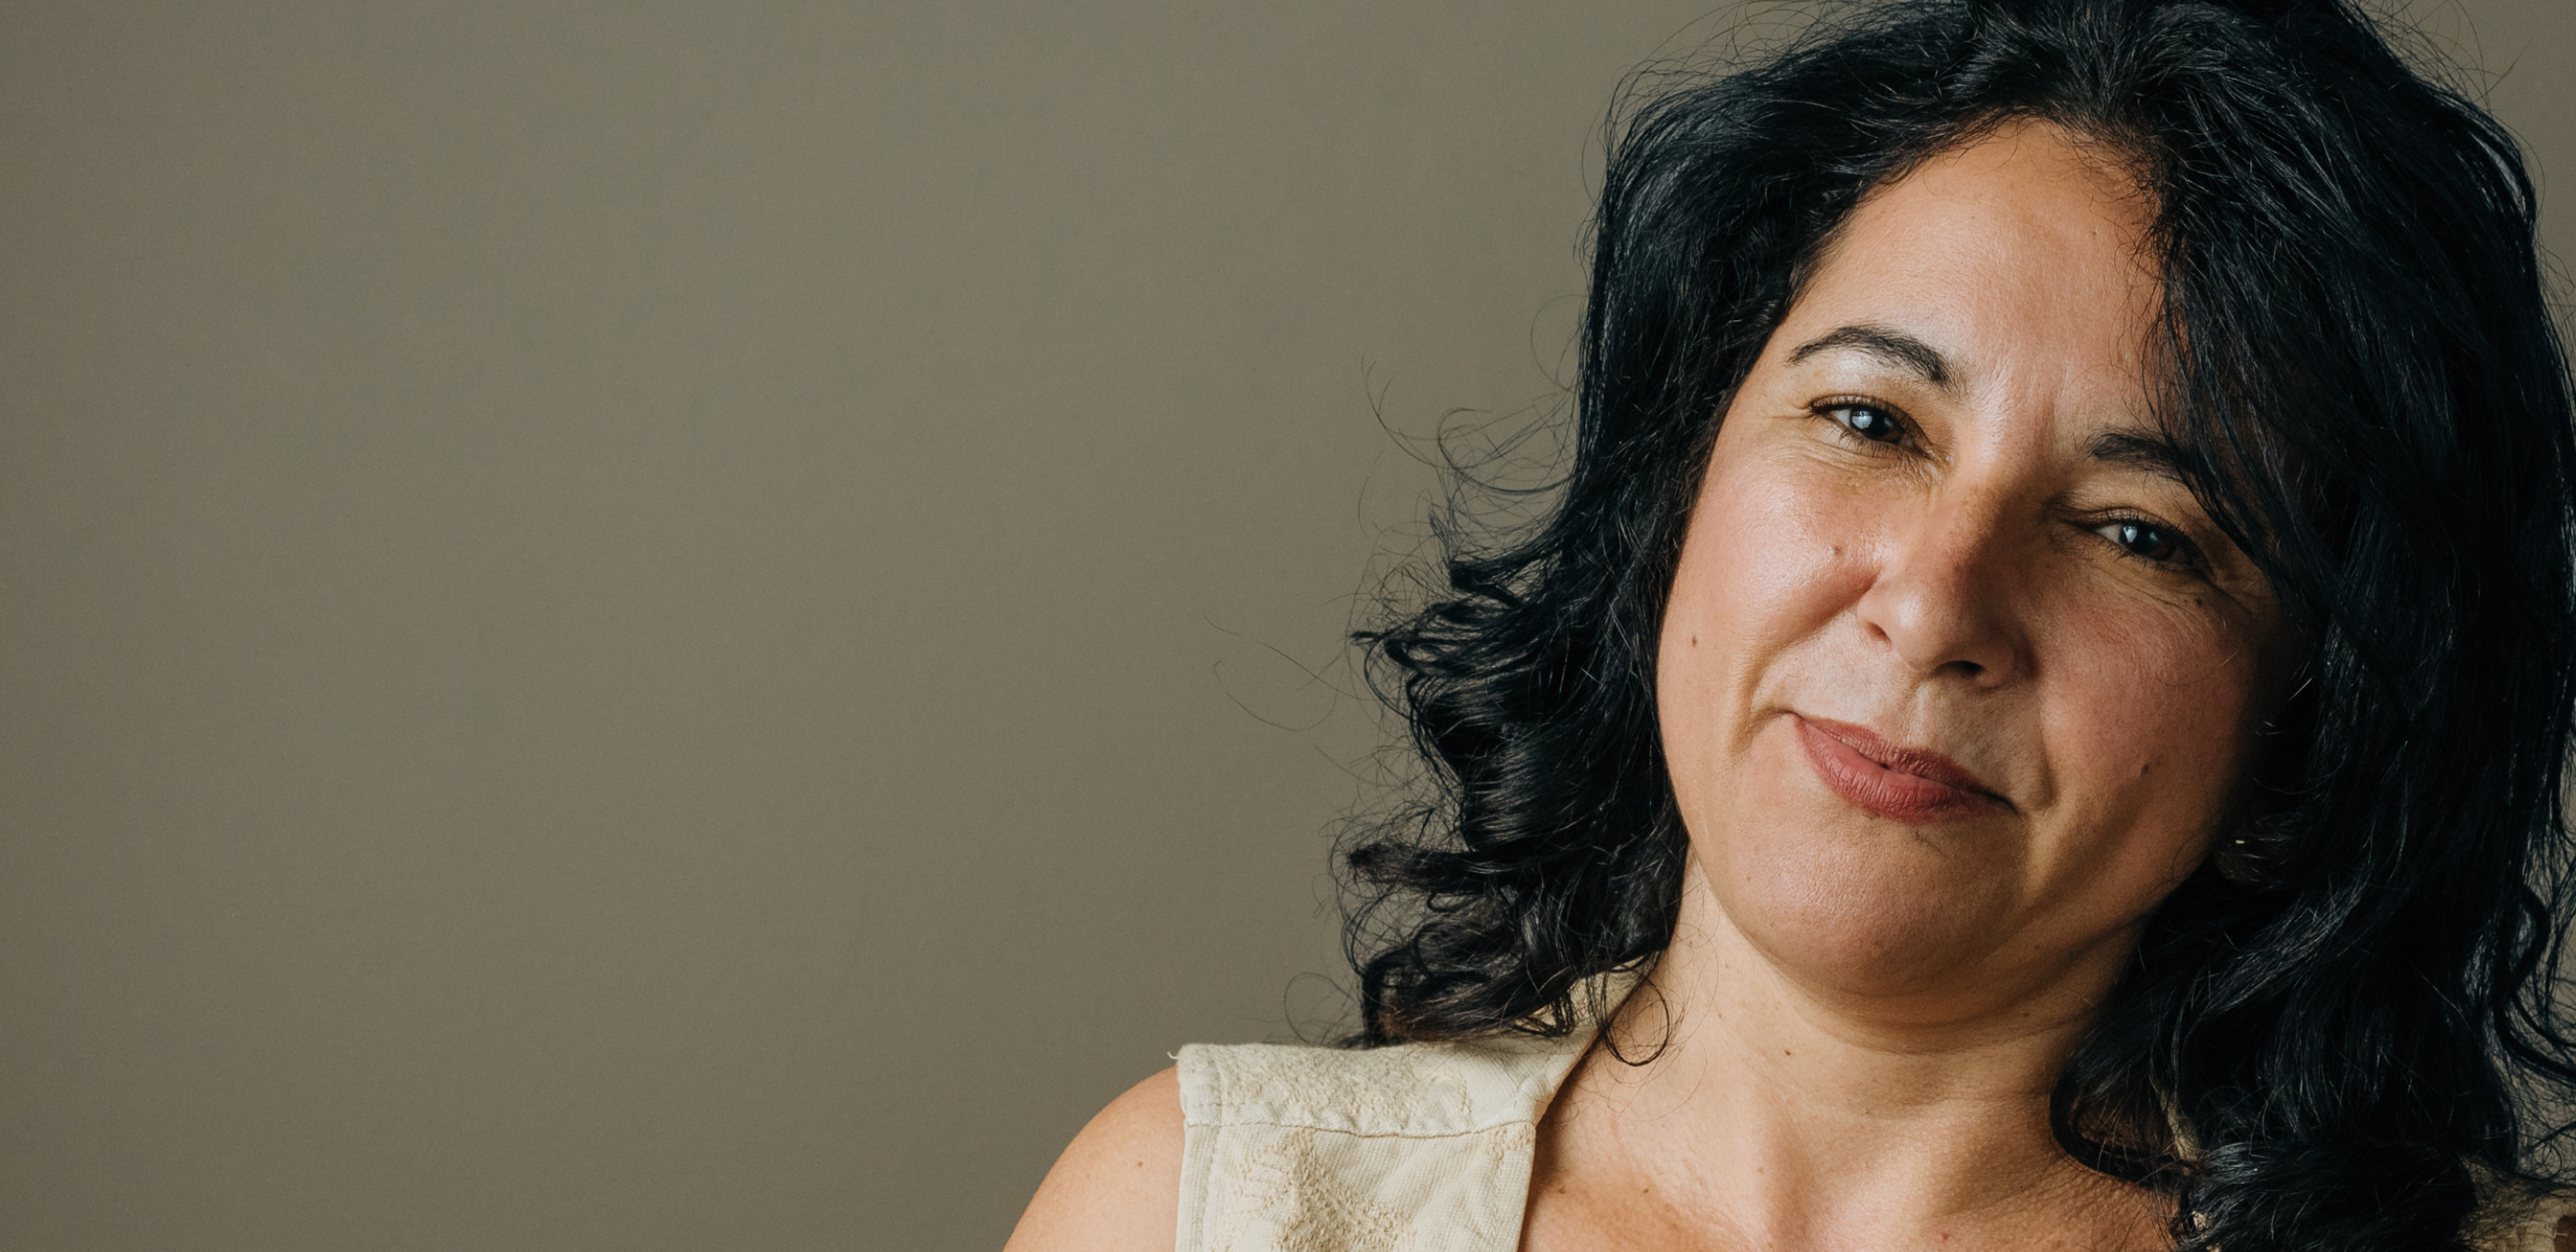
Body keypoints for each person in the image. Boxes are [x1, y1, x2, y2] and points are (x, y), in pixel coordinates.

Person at [1007, 0, 2576, 1248]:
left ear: (2306, 730)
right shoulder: (1202, 1212)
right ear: (1677, 491)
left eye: (2134, 532)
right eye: (1870, 420)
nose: (1933, 603)